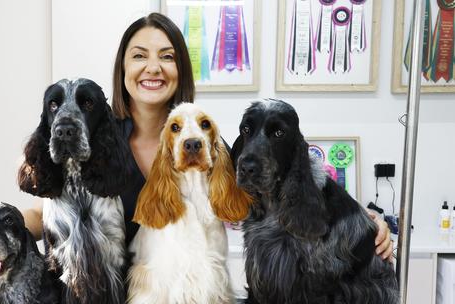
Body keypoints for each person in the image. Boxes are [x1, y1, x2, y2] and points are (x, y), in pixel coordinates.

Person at [21, 12, 394, 259]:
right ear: (123, 70)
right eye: (139, 56)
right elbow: (47, 209)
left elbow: (286, 186)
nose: (153, 67)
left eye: (167, 56)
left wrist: (366, 219)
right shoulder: (99, 138)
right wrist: (2, 224)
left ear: (181, 69)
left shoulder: (207, 143)